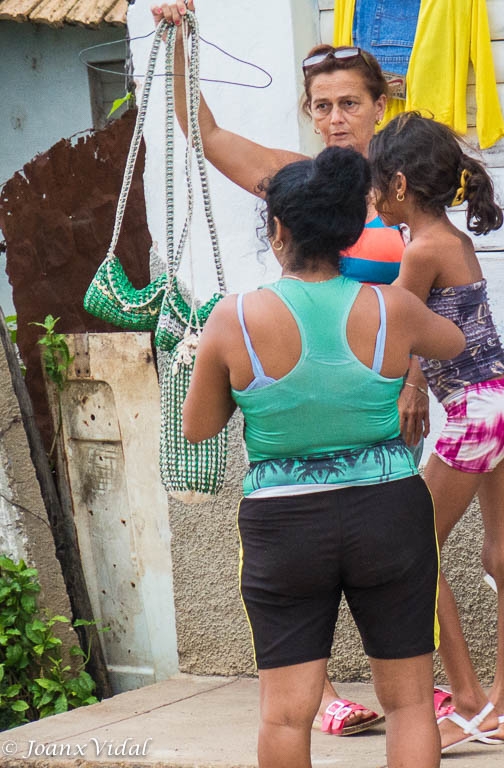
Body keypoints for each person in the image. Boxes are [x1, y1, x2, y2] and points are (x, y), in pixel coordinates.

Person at [151, 0, 430, 735]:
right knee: (380, 555)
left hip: (394, 393)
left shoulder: (410, 185)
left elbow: (437, 297)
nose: (336, 118)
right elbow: (204, 134)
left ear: (380, 104)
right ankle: (378, 698)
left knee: (403, 559)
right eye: (322, 106)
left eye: (349, 103)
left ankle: (448, 700)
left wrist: (415, 378)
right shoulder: (298, 182)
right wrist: (180, 40)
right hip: (306, 401)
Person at [181, 147, 464, 768]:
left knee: (286, 712)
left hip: (284, 524)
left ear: (278, 230)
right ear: (350, 230)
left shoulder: (234, 320)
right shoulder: (393, 307)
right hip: (389, 511)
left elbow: (199, 428)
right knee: (412, 705)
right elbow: (455, 340)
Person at [368, 113, 504, 751]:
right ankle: (503, 708)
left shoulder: (419, 250)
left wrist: (409, 388)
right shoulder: (454, 240)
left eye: (376, 184)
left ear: (401, 184)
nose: (372, 196)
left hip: (472, 408)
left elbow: (400, 328)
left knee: (412, 549)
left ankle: (465, 699)